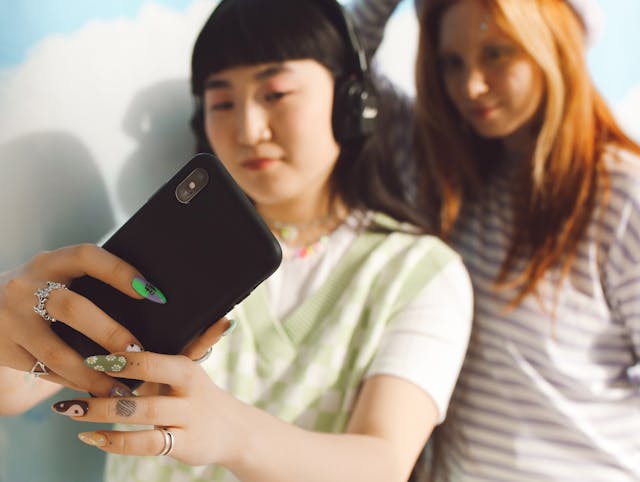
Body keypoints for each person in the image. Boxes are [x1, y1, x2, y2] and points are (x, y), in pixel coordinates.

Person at [0, 1, 473, 481]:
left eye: (277, 93)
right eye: (222, 102)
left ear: (351, 103)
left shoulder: (419, 272)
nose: (248, 129)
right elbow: (12, 390)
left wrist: (230, 432)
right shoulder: (157, 242)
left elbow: (383, 464)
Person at [352, 0, 640, 480]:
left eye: (497, 54)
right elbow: (334, 62)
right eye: (452, 62)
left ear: (552, 45)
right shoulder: (441, 176)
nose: (471, 86)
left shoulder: (621, 196)